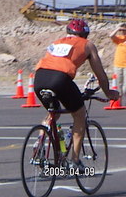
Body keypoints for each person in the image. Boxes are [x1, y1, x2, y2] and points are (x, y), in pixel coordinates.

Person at [34, 19, 119, 171]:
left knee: (53, 112)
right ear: (85, 34)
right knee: (79, 114)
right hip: (60, 79)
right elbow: (100, 74)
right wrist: (109, 92)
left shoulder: (58, 42)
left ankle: (41, 140)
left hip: (39, 78)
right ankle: (75, 160)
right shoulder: (87, 44)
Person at [109, 23, 126, 105]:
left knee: (125, 87)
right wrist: (117, 29)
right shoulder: (119, 39)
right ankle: (119, 103)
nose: (123, 32)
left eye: (124, 30)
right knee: (119, 85)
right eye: (122, 30)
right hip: (118, 65)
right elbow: (111, 36)